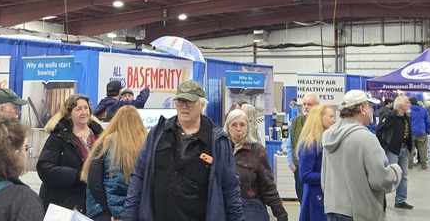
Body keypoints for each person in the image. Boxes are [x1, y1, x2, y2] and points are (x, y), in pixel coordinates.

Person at [123, 80, 244, 221]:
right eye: (180, 101)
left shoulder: (217, 141)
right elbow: (139, 176)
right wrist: (128, 216)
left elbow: (230, 188)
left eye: (190, 102)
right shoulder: (158, 133)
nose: (184, 106)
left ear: (202, 104)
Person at [322, 90, 402, 221]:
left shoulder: (329, 136)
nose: (372, 110)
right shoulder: (366, 138)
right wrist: (395, 171)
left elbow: (324, 176)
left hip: (333, 208)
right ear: (361, 109)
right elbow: (381, 180)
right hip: (359, 212)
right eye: (370, 106)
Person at [37, 94, 104, 213]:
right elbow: (45, 168)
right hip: (64, 204)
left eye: (86, 108)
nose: (84, 112)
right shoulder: (58, 136)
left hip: (94, 205)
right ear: (69, 114)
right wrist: (78, 175)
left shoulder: (101, 135)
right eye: (78, 109)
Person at [81, 105, 147, 221]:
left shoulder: (104, 143)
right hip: (134, 213)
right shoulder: (146, 145)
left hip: (103, 213)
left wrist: (112, 213)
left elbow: (94, 182)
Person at [225, 109, 288, 221]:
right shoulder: (221, 149)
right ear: (228, 127)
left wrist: (281, 215)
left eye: (242, 125)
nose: (238, 129)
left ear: (247, 128)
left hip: (250, 210)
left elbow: (268, 186)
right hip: (225, 210)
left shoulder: (257, 150)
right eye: (234, 125)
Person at [297, 104, 335, 221]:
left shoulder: (325, 140)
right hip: (315, 199)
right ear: (319, 118)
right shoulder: (309, 144)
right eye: (331, 116)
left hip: (325, 196)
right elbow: (305, 175)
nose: (334, 120)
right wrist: (329, 176)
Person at [376, 95, 413, 210]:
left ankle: (400, 200)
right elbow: (379, 130)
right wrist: (384, 145)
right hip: (393, 150)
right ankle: (381, 200)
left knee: (403, 175)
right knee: (389, 176)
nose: (409, 104)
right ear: (400, 105)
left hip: (404, 149)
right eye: (407, 102)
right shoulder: (390, 116)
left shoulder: (406, 117)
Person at [286, 93, 319, 203]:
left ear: (317, 106)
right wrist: (291, 163)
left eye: (309, 104)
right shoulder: (295, 122)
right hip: (299, 169)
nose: (306, 107)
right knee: (302, 201)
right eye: (304, 104)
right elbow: (290, 144)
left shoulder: (322, 122)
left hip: (316, 171)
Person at [408, 96, 430, 169]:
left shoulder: (408, 110)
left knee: (410, 149)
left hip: (411, 132)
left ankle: (410, 164)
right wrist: (427, 131)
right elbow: (428, 121)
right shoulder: (423, 109)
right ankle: (424, 164)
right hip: (422, 132)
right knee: (423, 149)